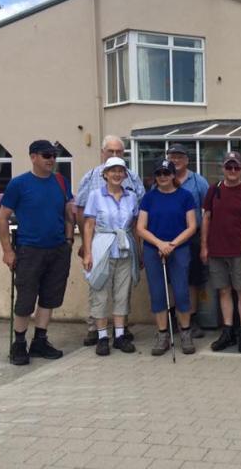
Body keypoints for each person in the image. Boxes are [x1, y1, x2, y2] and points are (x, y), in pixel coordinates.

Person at [0, 140, 74, 365]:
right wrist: (7, 251)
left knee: (50, 297)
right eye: (46, 155)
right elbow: (2, 218)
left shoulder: (61, 181)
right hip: (29, 250)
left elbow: (69, 212)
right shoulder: (19, 184)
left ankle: (40, 341)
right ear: (33, 157)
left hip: (58, 249)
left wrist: (69, 240)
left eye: (53, 155)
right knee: (26, 299)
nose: (51, 159)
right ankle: (19, 344)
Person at [75, 136, 145, 346]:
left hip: (125, 249)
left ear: (124, 174)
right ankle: (102, 336)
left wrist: (138, 251)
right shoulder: (94, 191)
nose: (117, 174)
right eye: (112, 170)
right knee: (99, 291)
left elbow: (135, 224)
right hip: (102, 247)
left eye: (120, 170)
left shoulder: (131, 194)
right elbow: (88, 223)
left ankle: (120, 335)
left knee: (123, 293)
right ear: (105, 173)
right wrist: (87, 251)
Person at [201, 152, 241, 353]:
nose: (233, 171)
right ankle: (228, 331)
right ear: (223, 168)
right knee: (224, 290)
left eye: (236, 167)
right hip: (217, 250)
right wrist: (204, 246)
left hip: (240, 251)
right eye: (229, 167)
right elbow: (206, 219)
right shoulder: (213, 190)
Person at [136, 159, 198, 356]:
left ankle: (185, 332)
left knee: (181, 292)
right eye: (159, 173)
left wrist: (172, 244)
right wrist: (160, 244)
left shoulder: (185, 196)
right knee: (158, 293)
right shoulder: (149, 198)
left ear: (173, 175)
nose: (162, 177)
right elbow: (140, 228)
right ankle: (162, 334)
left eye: (166, 173)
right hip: (154, 249)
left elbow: (191, 226)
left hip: (179, 249)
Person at [166, 143, 209, 338]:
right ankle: (174, 317)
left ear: (187, 160)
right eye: (172, 157)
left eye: (179, 157)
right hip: (166, 239)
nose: (175, 160)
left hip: (192, 238)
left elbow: (208, 211)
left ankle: (191, 318)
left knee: (192, 280)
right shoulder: (162, 178)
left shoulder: (198, 181)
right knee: (171, 281)